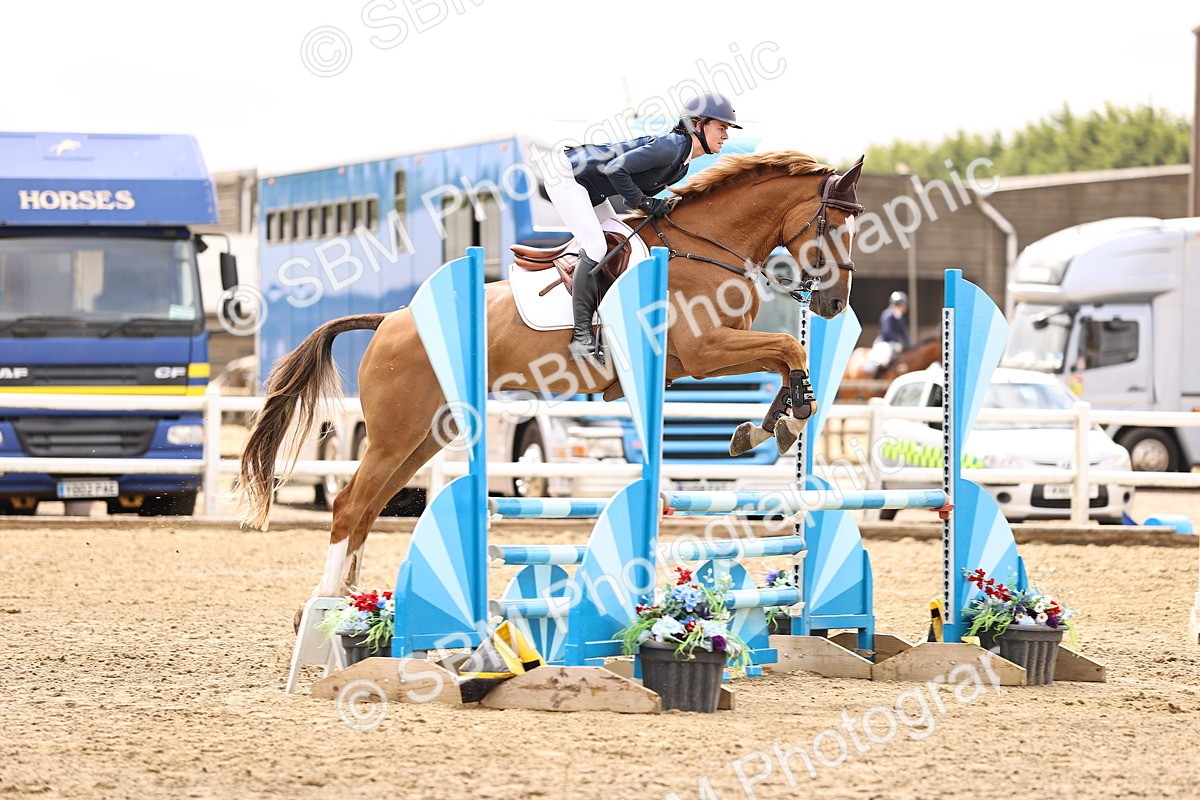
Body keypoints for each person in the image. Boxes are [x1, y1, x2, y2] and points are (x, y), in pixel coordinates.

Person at [541, 91, 741, 363]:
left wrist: (649, 203)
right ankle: (580, 337)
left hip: (591, 187)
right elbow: (615, 169)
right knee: (597, 245)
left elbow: (625, 180)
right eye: (721, 128)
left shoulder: (682, 162)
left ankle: (603, 323)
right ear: (698, 124)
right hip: (567, 176)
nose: (726, 136)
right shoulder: (670, 147)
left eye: (726, 129)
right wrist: (644, 202)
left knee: (625, 242)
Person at [868, 291, 911, 375]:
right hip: (885, 342)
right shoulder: (887, 315)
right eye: (903, 305)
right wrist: (897, 342)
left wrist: (908, 344)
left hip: (894, 343)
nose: (905, 307)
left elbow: (904, 333)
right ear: (897, 304)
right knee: (884, 360)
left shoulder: (899, 317)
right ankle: (876, 376)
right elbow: (887, 332)